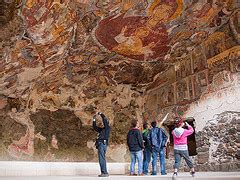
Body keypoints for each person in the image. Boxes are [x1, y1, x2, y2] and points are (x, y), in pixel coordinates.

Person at [92, 112, 111, 177]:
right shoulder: (102, 130)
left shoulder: (107, 128)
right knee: (101, 158)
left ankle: (104, 172)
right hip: (100, 144)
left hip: (102, 144)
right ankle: (104, 172)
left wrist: (101, 114)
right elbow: (95, 127)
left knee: (102, 158)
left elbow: (105, 120)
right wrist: (94, 119)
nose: (103, 123)